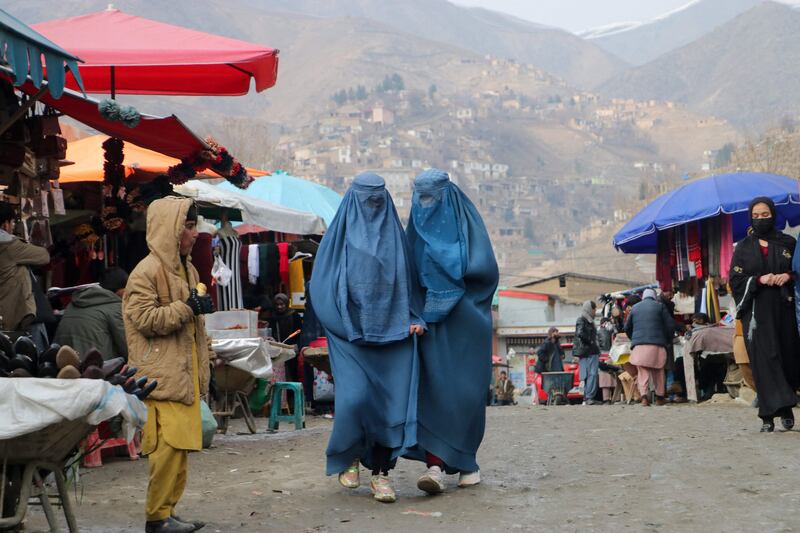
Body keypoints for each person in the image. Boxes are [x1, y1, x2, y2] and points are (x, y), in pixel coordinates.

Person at [310, 172, 423, 504]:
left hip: (394, 337)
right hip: (350, 337)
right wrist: (338, 326)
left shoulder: (396, 239)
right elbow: (321, 287)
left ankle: (382, 474)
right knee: (355, 399)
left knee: (391, 408)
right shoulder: (338, 238)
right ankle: (351, 456)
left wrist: (415, 318)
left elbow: (411, 285)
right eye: (365, 200)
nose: (371, 207)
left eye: (378, 199)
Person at [403, 169, 499, 495]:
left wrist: (456, 295)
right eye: (420, 198)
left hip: (467, 326)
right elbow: (405, 276)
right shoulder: (414, 232)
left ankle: (467, 460)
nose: (425, 205)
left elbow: (486, 274)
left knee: (467, 394)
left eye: (432, 198)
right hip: (428, 330)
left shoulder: (469, 230)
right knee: (434, 394)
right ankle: (436, 464)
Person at [123, 197, 215, 533]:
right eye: (187, 227)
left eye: (194, 226)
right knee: (166, 451)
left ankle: (169, 512)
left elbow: (195, 326)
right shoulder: (145, 272)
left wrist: (207, 363)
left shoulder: (187, 269)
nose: (194, 234)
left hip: (184, 376)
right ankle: (156, 518)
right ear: (170, 230)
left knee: (181, 453)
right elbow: (144, 319)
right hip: (161, 379)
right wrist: (187, 307)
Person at [732, 197, 800, 432]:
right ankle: (768, 415)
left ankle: (787, 408)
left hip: (785, 309)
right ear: (750, 217)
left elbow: (797, 271)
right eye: (756, 216)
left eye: (765, 215)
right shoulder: (742, 247)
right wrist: (759, 279)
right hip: (757, 312)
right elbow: (735, 280)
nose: (761, 219)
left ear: (773, 214)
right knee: (764, 360)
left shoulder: (788, 243)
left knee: (787, 357)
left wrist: (788, 277)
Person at [54, 267, 129, 360]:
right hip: (97, 365)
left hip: (62, 362)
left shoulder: (73, 303)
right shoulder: (115, 307)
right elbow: (128, 347)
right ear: (121, 290)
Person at [0, 202, 50, 333]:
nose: (12, 226)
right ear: (5, 224)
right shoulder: (10, 246)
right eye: (12, 222)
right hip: (12, 315)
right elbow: (44, 256)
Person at [624, 288, 674, 406]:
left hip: (639, 347)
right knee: (658, 372)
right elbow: (670, 325)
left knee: (642, 373)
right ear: (654, 296)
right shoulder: (660, 306)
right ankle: (659, 398)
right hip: (657, 345)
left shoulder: (635, 308)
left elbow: (626, 327)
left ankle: (644, 397)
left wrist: (634, 339)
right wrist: (667, 339)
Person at [574, 300, 602, 405]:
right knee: (592, 374)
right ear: (590, 309)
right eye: (594, 309)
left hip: (587, 351)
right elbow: (580, 333)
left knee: (588, 374)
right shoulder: (582, 320)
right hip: (588, 351)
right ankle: (589, 397)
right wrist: (591, 342)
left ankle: (587, 397)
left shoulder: (588, 321)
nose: (595, 312)